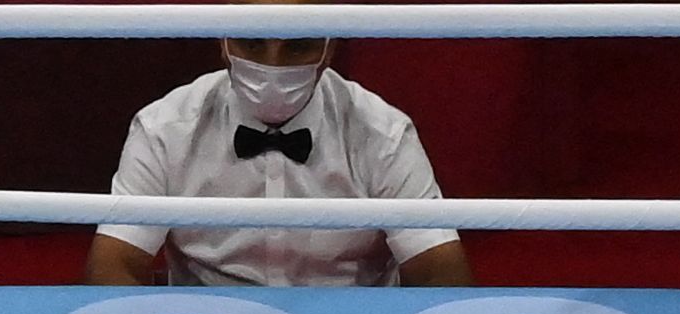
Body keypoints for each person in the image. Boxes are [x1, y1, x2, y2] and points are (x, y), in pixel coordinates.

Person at [84, 26, 473, 288]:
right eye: (252, 43)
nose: (273, 65)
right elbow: (112, 264)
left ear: (329, 47)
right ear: (223, 41)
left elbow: (441, 272)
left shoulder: (381, 132)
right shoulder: (164, 127)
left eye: (297, 45)